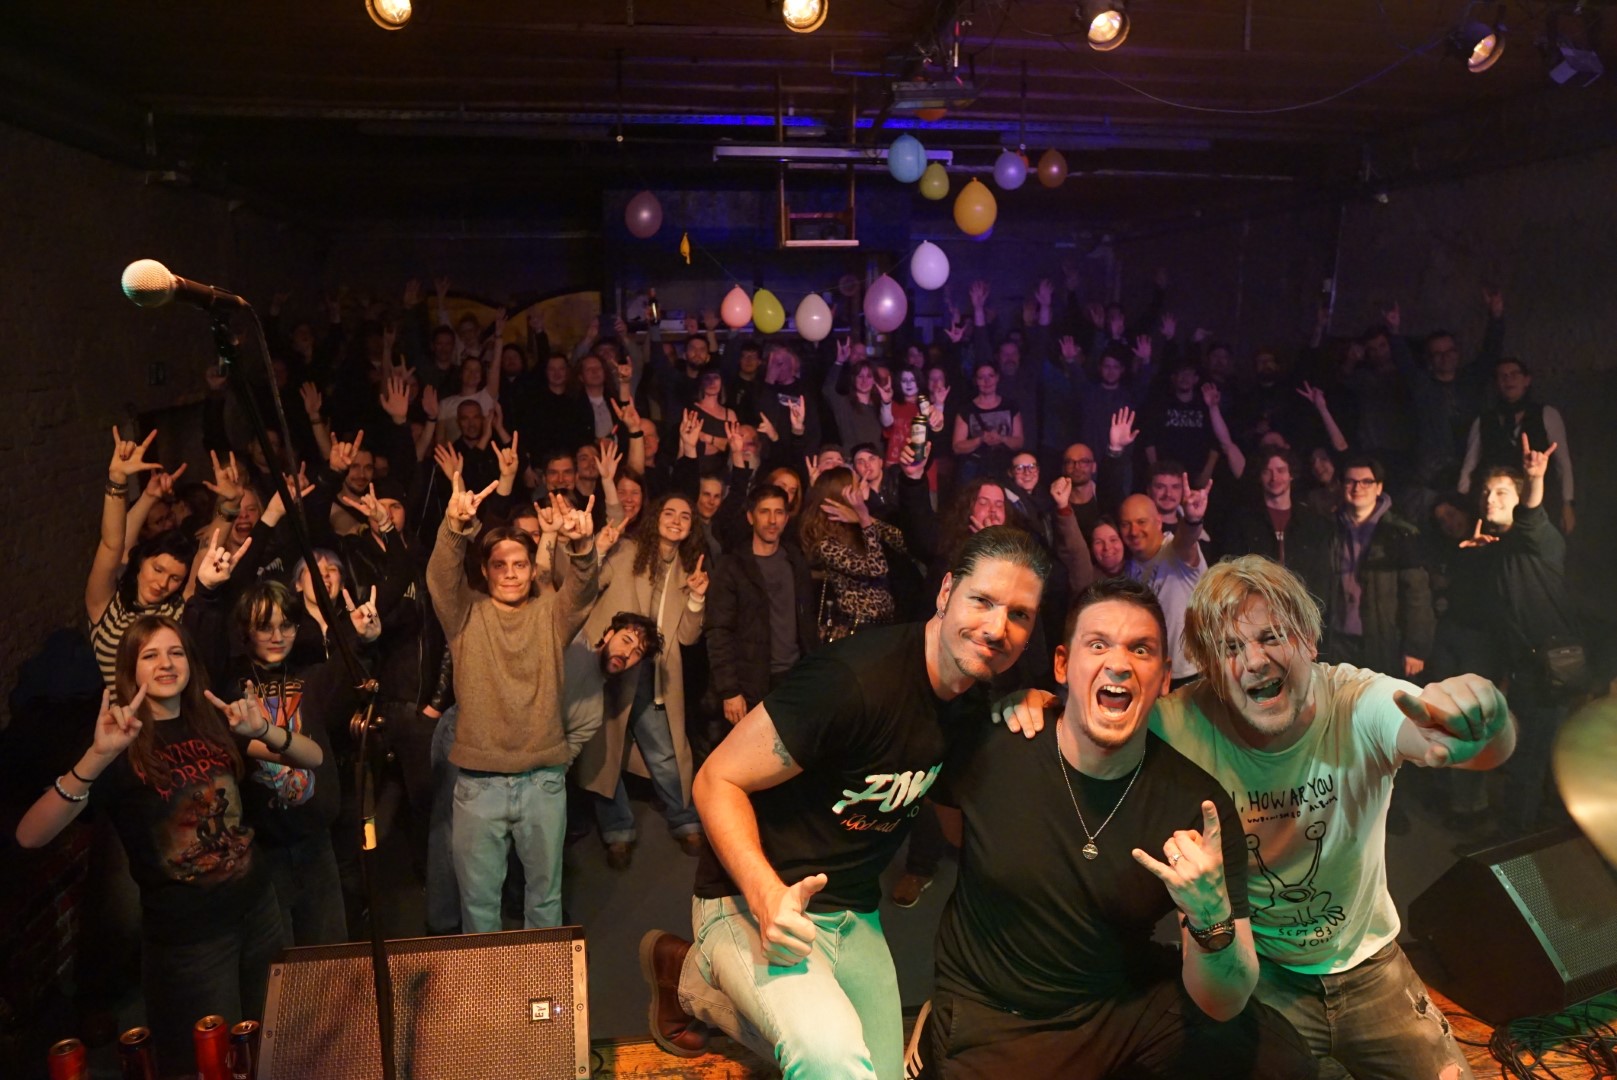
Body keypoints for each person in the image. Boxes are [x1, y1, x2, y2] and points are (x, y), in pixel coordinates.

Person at [639, 527, 1052, 1079]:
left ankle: (693, 982)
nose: (998, 628)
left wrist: (1033, 720)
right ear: (946, 592)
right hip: (747, 899)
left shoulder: (973, 704)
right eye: (983, 600)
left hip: (854, 913)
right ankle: (700, 971)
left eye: (1019, 615)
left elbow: (959, 832)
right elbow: (716, 780)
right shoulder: (852, 680)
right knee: (831, 1062)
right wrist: (766, 897)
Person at [924, 578, 1316, 1078]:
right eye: (1098, 644)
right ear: (1063, 665)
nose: (1118, 663)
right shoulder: (993, 749)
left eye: (1141, 649)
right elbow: (954, 830)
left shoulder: (1197, 807)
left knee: (1283, 1063)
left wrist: (1211, 918)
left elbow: (1224, 1000)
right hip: (998, 1013)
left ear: (1164, 677)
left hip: (1118, 999)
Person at [1158, 556, 1512, 1078]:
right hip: (1263, 975)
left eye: (1272, 637)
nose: (1254, 661)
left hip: (1370, 964)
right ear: (1210, 668)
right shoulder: (1181, 721)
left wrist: (1485, 724)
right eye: (1230, 648)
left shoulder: (1356, 700)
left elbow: (1459, 741)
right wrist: (1036, 706)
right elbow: (1089, 737)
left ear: (1308, 640)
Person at [15, 612, 323, 1076]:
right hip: (190, 941)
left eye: (176, 652)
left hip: (259, 912)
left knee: (268, 1044)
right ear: (130, 670)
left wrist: (263, 730)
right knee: (207, 1066)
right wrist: (97, 756)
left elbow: (311, 757)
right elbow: (30, 834)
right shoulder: (118, 743)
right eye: (150, 655)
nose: (166, 663)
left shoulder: (212, 724)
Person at [426, 469, 600, 931]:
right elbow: (440, 579)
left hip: (542, 781)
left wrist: (582, 546)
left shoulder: (551, 615)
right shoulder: (465, 615)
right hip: (479, 784)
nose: (509, 573)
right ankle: (487, 982)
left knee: (544, 903)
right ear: (485, 571)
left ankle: (540, 979)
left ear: (531, 568)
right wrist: (454, 528)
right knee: (479, 907)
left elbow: (583, 591)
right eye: (499, 565)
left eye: (519, 564)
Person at [576, 494, 710, 869]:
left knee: (664, 752)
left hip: (652, 674)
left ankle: (685, 819)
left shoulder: (688, 572)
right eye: (669, 512)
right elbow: (588, 586)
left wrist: (697, 599)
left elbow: (688, 637)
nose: (676, 520)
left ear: (691, 528)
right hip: (610, 664)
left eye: (685, 516)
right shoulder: (627, 552)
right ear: (656, 518)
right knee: (603, 751)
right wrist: (598, 550)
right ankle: (617, 830)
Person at [1459, 435, 1580, 840]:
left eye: (1501, 492)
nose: (1490, 499)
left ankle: (1513, 843)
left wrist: (1535, 478)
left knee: (1527, 760)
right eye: (1486, 492)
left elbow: (1531, 517)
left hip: (1550, 668)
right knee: (1533, 757)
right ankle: (1534, 830)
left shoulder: (1539, 537)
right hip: (1526, 666)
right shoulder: (1501, 547)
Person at [1321, 455, 1433, 680]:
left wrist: (1415, 648)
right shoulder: (1328, 529)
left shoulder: (1400, 533)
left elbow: (1417, 593)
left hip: (1381, 640)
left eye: (1366, 482)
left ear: (1379, 487)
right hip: (1336, 640)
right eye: (1351, 481)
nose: (1357, 488)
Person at [1120, 481, 1210, 689]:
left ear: (1159, 522)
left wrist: (1192, 520)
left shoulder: (1174, 551)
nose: (1134, 531)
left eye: (1141, 522)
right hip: (1154, 673)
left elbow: (1187, 540)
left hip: (1192, 673)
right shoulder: (1130, 566)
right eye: (1126, 524)